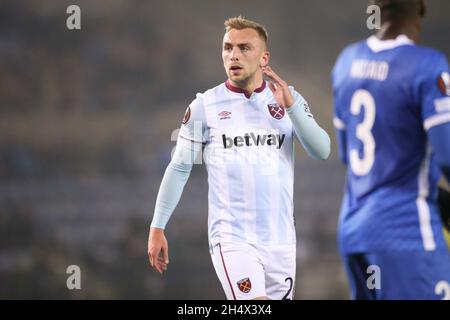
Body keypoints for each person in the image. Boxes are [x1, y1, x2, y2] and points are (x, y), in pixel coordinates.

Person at [148, 16, 330, 300]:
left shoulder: (287, 98)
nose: (233, 55)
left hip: (280, 240)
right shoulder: (204, 106)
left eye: (244, 48)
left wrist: (292, 108)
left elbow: (322, 150)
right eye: (227, 47)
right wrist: (157, 226)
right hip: (233, 239)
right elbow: (180, 166)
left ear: (264, 57)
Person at [332, 0, 450, 299]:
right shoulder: (427, 65)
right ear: (421, 7)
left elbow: (347, 154)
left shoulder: (346, 62)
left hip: (354, 230)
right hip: (406, 233)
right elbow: (447, 156)